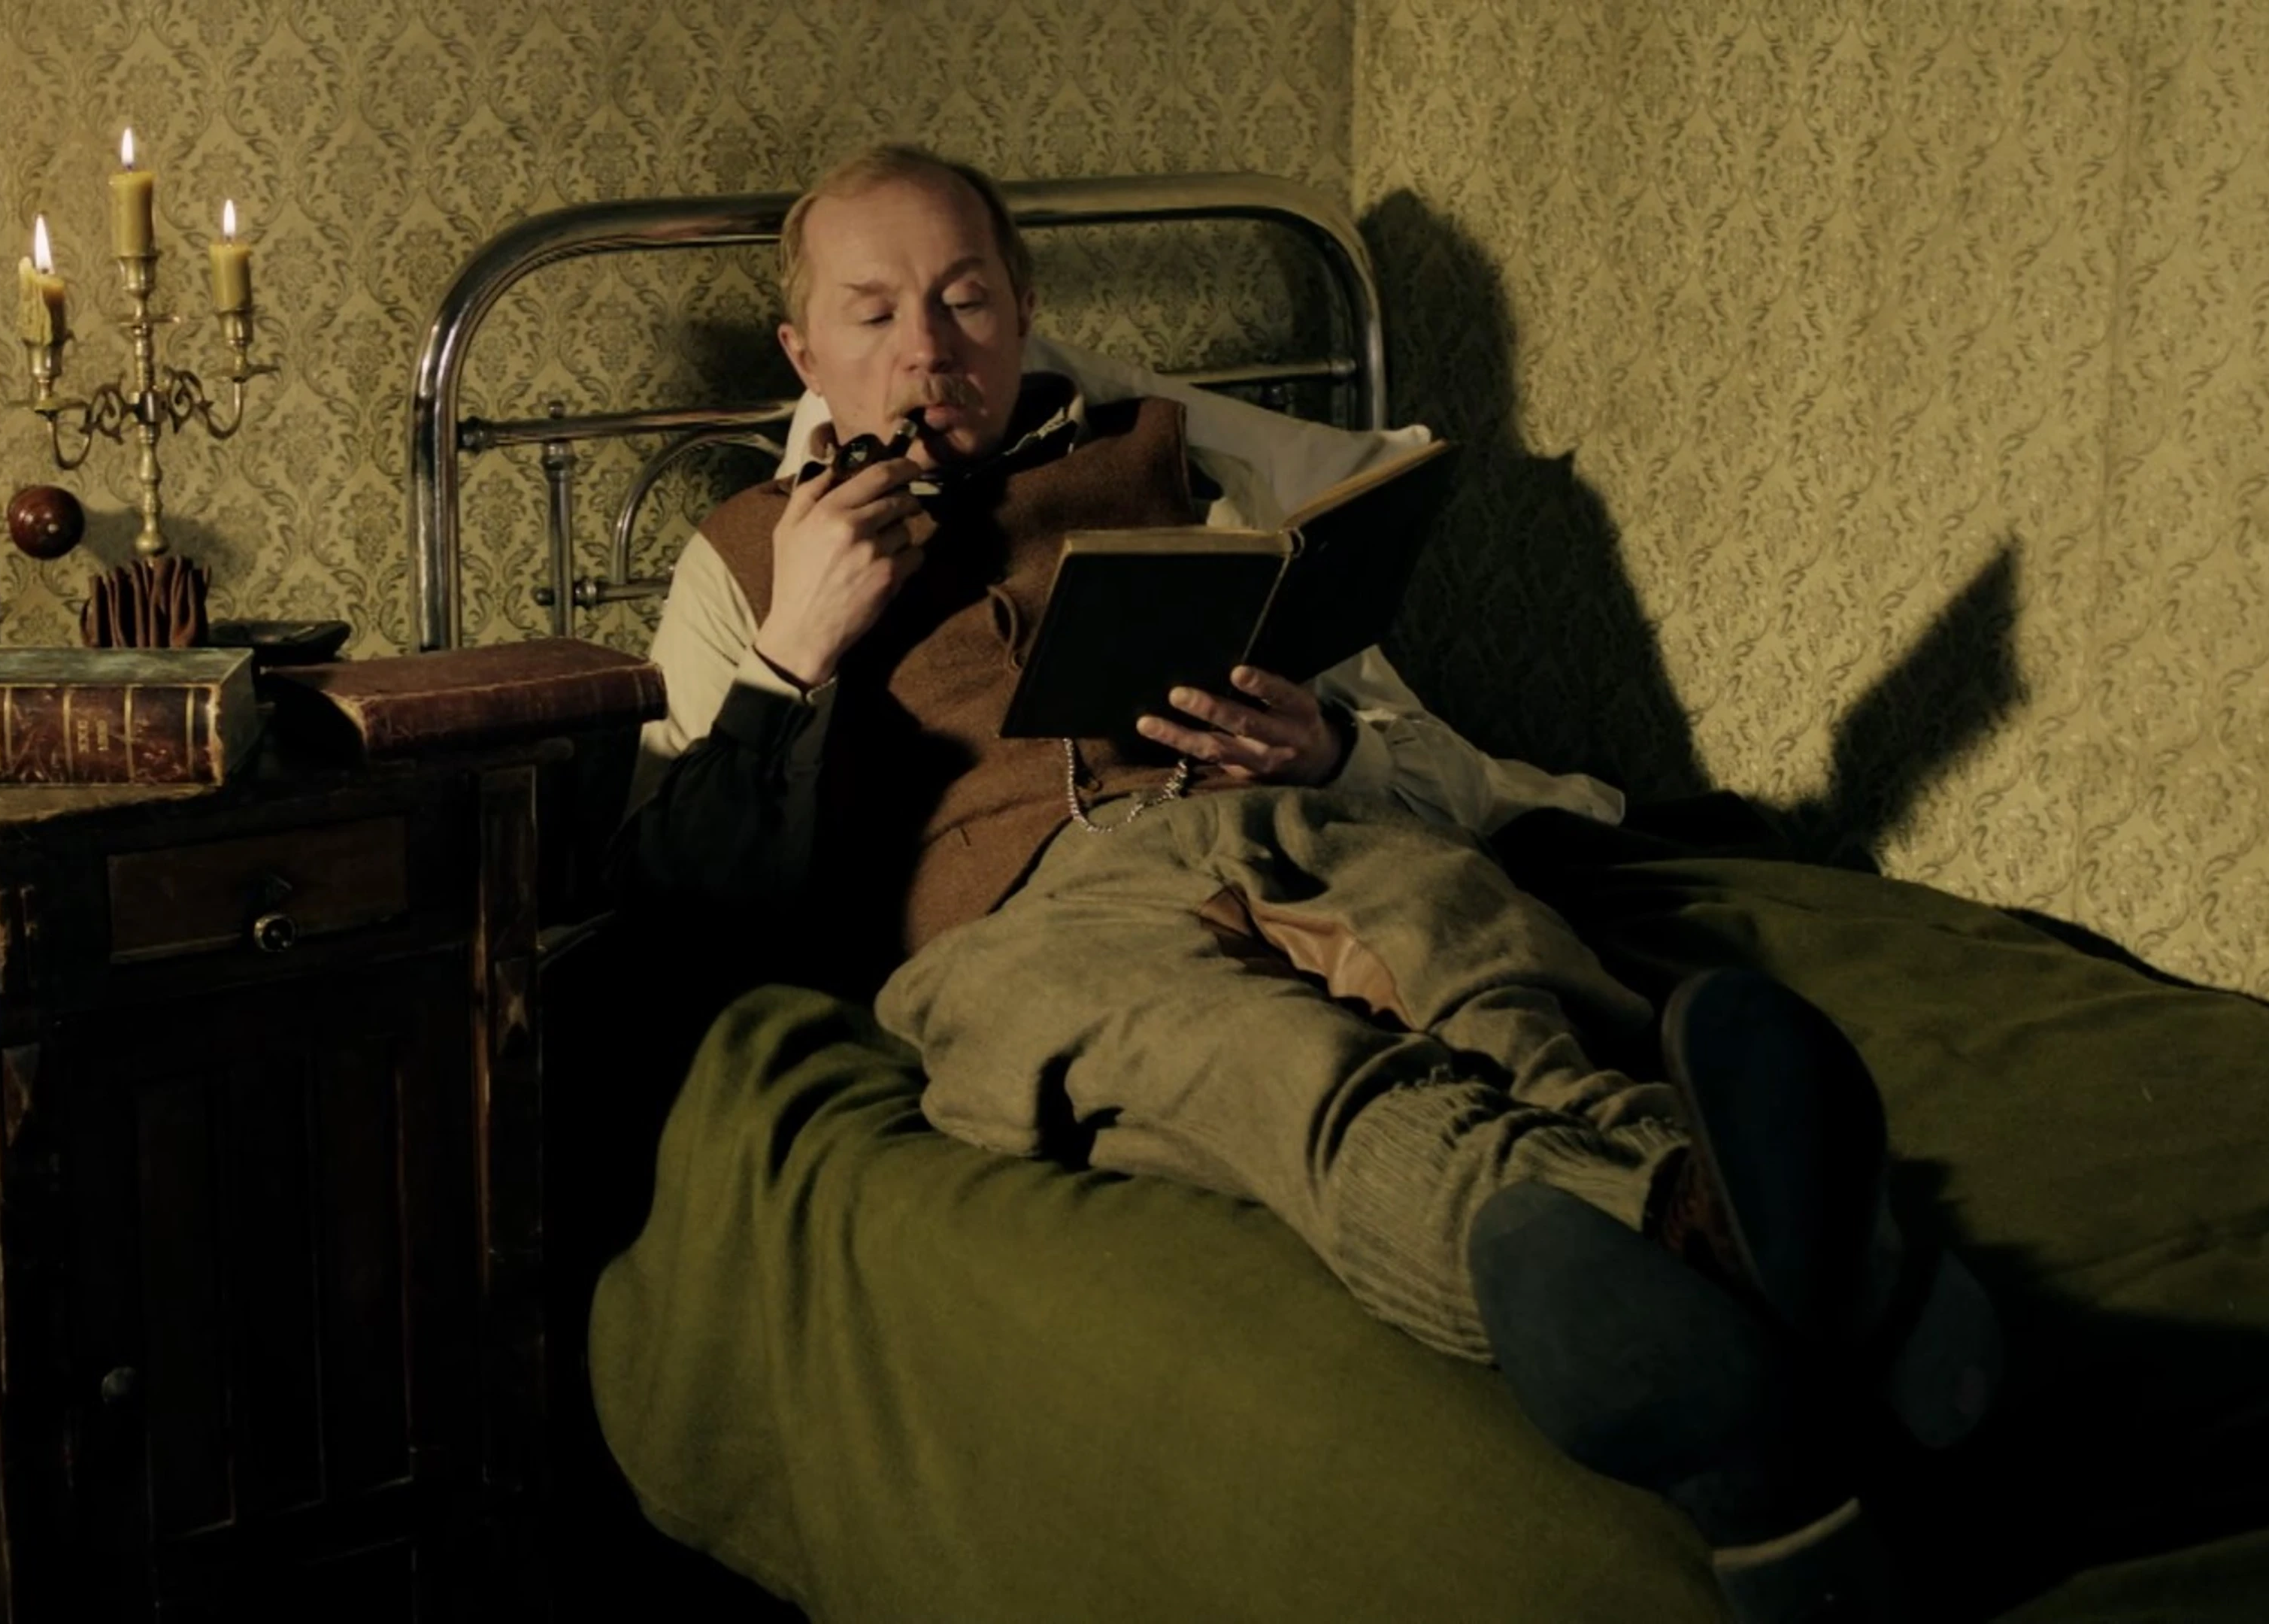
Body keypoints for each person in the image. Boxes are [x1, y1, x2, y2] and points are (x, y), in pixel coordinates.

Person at [616, 144, 1998, 1623]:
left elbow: (1412, 748)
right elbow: (693, 898)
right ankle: (1750, 1249)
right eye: (875, 312)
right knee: (1281, 1069)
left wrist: (1327, 744)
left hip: (1270, 817)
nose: (927, 351)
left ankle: (1715, 1301)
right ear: (805, 353)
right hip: (1019, 926)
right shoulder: (743, 562)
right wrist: (794, 652)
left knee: (1483, 962)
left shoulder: (1175, 465)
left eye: (964, 301)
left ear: (1022, 309)